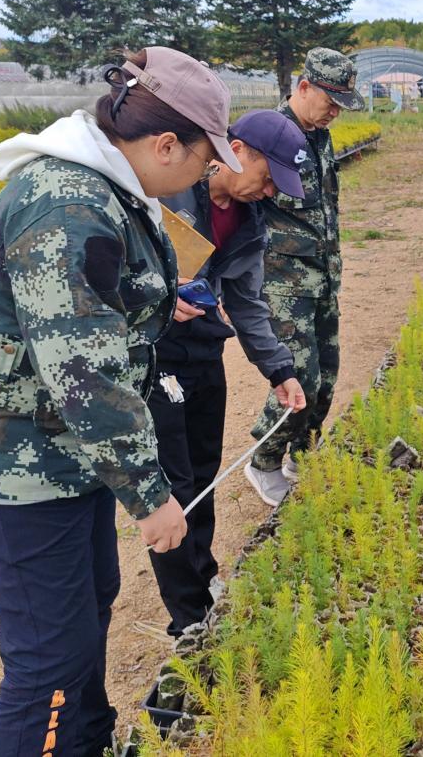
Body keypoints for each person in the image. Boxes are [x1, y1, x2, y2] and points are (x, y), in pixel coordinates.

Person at [0, 46, 240, 757]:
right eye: (203, 159)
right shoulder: (67, 206)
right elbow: (83, 376)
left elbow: (91, 313)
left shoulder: (109, 190)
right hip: (11, 461)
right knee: (49, 658)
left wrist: (156, 299)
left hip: (59, 453)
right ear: (165, 144)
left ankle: (83, 741)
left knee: (88, 606)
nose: (206, 174)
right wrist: (151, 495)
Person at [146, 109, 310, 636]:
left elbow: (247, 303)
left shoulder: (248, 221)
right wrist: (155, 297)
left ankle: (204, 573)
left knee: (204, 472)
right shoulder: (165, 188)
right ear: (237, 151)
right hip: (154, 357)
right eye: (268, 177)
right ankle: (188, 617)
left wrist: (279, 369)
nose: (269, 192)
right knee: (175, 484)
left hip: (202, 352)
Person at [245, 47, 364, 506]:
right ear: (304, 87)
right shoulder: (270, 136)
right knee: (300, 377)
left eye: (341, 105)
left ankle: (303, 452)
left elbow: (325, 208)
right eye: (330, 101)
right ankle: (264, 460)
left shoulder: (320, 136)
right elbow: (244, 202)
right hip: (283, 282)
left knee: (327, 375)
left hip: (323, 275)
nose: (335, 112)